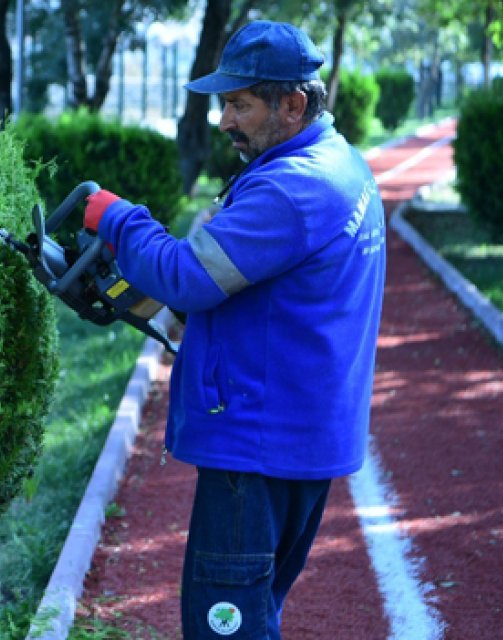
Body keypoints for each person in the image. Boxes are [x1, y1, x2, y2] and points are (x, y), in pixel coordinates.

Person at [82, 20, 387, 639]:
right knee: (253, 617)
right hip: (295, 441)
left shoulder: (294, 188)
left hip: (257, 450)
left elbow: (189, 275)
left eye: (239, 104)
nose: (224, 121)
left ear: (293, 104)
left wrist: (116, 218)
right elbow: (255, 294)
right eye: (226, 103)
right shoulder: (338, 163)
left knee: (227, 629)